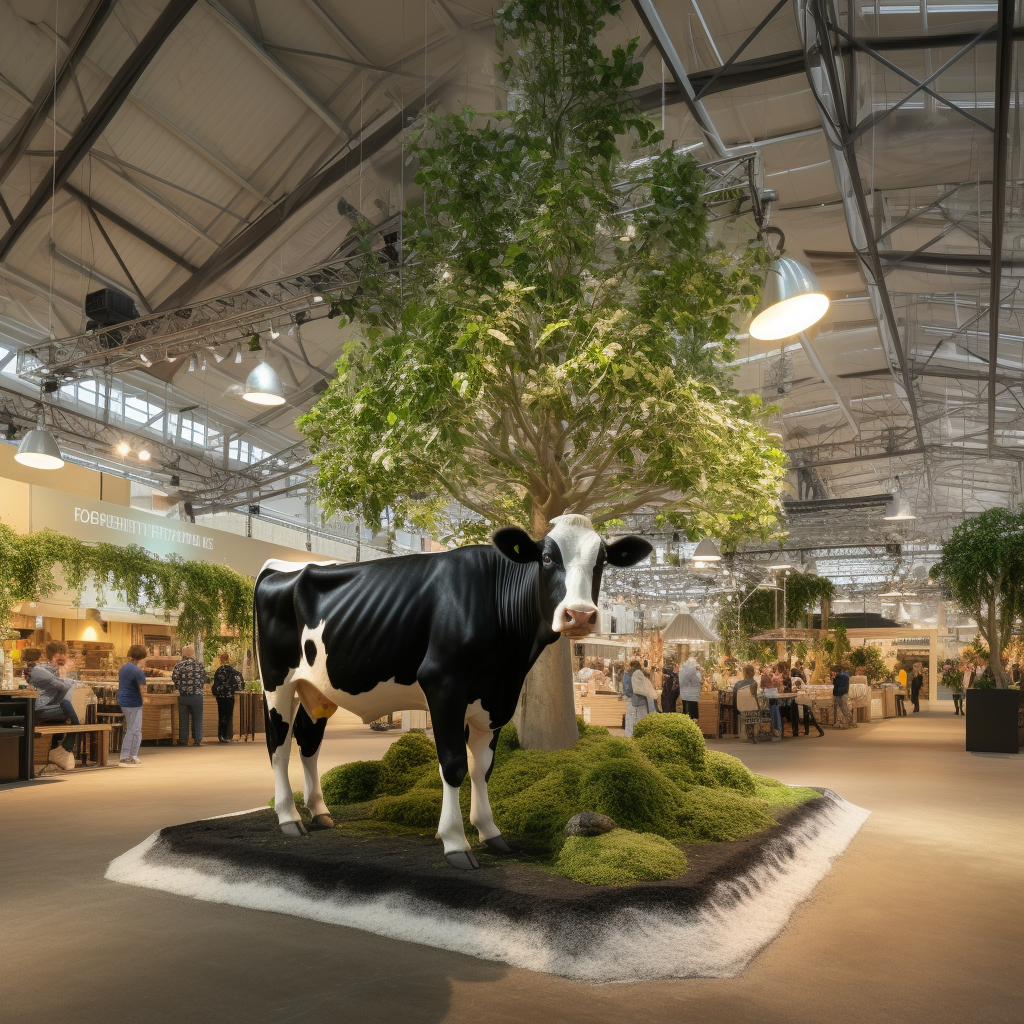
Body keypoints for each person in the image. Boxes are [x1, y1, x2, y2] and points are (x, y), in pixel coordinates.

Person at [29, 641, 78, 770]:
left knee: (68, 711)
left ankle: (57, 750)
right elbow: (60, 686)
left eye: (64, 655)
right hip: (39, 710)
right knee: (67, 708)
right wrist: (66, 676)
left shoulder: (54, 670)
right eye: (61, 654)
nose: (63, 658)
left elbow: (62, 690)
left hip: (51, 708)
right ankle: (63, 750)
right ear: (54, 654)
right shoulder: (39, 670)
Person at [118, 645, 148, 764]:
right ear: (141, 658)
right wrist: (146, 700)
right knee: (135, 729)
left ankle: (126, 754)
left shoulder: (123, 668)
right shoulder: (138, 672)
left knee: (130, 727)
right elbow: (143, 691)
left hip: (123, 700)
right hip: (133, 702)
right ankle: (130, 754)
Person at [172, 644, 208, 746]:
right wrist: (198, 687)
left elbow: (175, 679)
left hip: (183, 696)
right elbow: (204, 678)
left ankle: (183, 740)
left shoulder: (178, 665)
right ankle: (197, 739)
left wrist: (180, 688)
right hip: (197, 696)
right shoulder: (199, 665)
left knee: (183, 719)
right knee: (197, 718)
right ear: (193, 653)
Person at [212, 650, 245, 743]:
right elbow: (238, 682)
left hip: (220, 697)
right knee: (229, 715)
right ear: (228, 659)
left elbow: (215, 684)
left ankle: (221, 735)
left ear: (221, 659)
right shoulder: (232, 670)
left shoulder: (218, 671)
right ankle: (228, 735)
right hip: (230, 696)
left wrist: (216, 692)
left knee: (221, 714)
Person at [831, 663, 852, 728]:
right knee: (843, 708)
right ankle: (846, 721)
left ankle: (845, 721)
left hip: (840, 693)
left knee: (841, 708)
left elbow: (835, 684)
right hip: (843, 693)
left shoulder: (840, 676)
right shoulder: (845, 676)